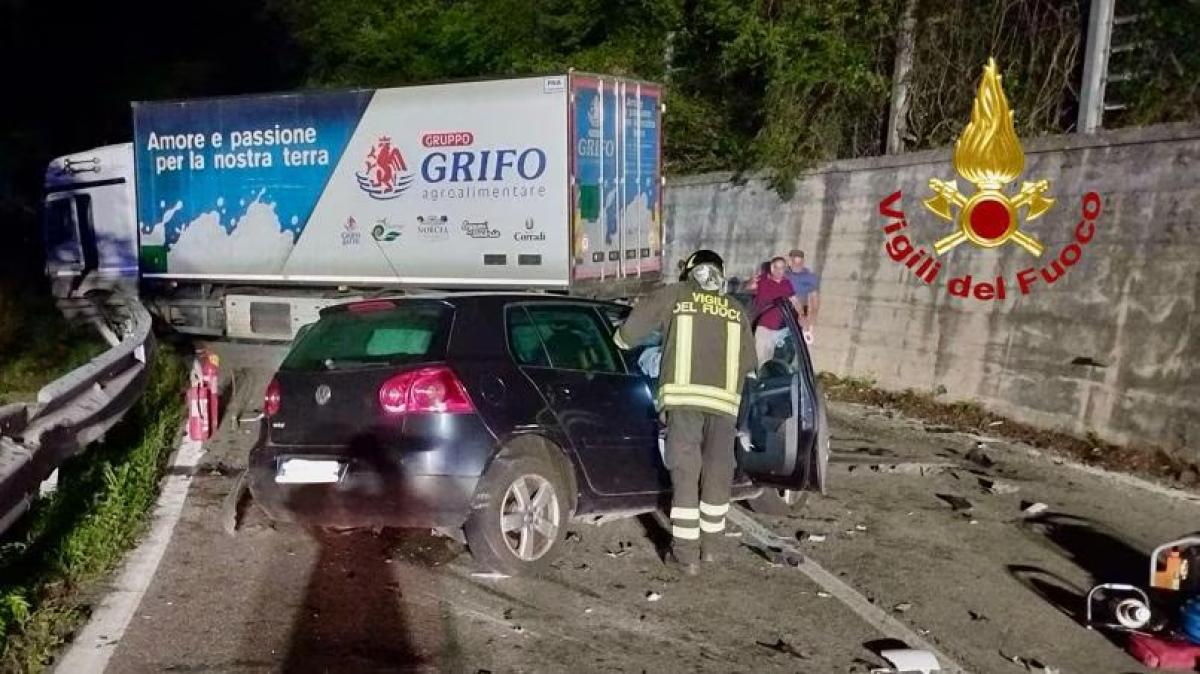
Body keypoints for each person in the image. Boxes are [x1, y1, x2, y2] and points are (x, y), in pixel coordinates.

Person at [613, 250, 757, 576]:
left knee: (685, 473)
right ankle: (711, 550)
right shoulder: (735, 309)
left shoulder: (676, 296)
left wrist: (620, 339)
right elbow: (749, 366)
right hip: (724, 408)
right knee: (718, 474)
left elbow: (630, 333)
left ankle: (686, 556)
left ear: (690, 272)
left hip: (684, 404)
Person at [752, 257, 804, 364]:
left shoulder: (786, 283)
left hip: (778, 329)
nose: (779, 271)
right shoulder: (762, 280)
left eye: (782, 268)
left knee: (768, 359)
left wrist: (802, 315)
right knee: (759, 359)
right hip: (762, 326)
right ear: (772, 268)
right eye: (777, 267)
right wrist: (750, 283)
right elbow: (747, 288)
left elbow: (795, 301)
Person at [785, 249, 820, 342]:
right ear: (790, 261)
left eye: (799, 262)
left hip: (800, 311)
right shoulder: (782, 273)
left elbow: (815, 303)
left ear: (803, 262)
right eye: (794, 261)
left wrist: (809, 323)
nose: (797, 265)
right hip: (782, 308)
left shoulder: (810, 277)